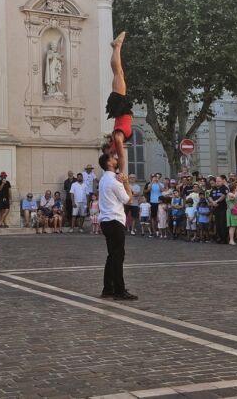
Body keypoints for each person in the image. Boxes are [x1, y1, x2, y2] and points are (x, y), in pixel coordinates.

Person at [98, 152, 137, 300]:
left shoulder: (103, 179)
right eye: (113, 158)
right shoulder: (114, 181)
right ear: (109, 163)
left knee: (111, 255)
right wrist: (126, 183)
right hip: (115, 220)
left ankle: (108, 288)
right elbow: (128, 200)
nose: (116, 160)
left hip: (106, 220)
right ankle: (119, 290)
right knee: (118, 256)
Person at [102, 32, 134, 174]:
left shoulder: (117, 138)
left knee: (118, 73)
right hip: (121, 109)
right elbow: (119, 155)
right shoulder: (116, 137)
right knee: (119, 72)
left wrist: (121, 173)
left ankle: (117, 46)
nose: (113, 150)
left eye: (111, 150)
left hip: (121, 108)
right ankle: (117, 47)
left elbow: (121, 156)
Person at [208, 176, 228, 244]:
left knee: (223, 224)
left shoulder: (224, 188)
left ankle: (224, 239)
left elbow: (223, 196)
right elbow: (210, 196)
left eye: (219, 181)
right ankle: (219, 237)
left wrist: (216, 201)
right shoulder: (213, 189)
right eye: (216, 181)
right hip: (216, 209)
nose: (217, 182)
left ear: (222, 181)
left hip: (223, 209)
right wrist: (213, 202)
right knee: (217, 224)